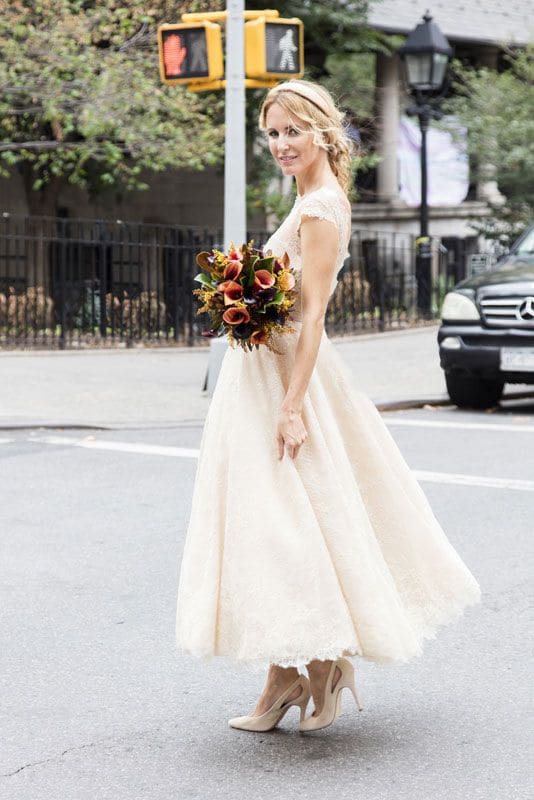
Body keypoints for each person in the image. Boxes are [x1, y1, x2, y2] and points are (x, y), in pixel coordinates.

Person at [175, 79, 481, 733]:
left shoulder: (321, 207)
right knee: (275, 523)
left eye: (293, 131)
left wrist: (292, 406)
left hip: (287, 383)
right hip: (260, 376)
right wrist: (245, 297)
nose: (282, 144)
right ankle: (288, 674)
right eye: (274, 134)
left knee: (289, 526)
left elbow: (313, 318)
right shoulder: (312, 196)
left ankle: (317, 667)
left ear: (321, 131)